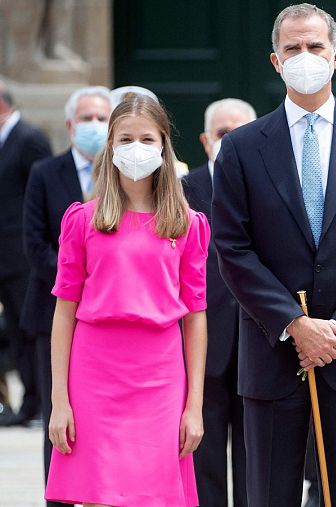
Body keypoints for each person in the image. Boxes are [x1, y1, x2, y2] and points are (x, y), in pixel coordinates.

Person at [211, 4, 336, 506]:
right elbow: (233, 248)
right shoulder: (242, 147)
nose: (304, 56)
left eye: (315, 46)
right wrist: (295, 324)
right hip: (274, 354)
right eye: (293, 48)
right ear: (275, 61)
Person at [44, 95, 208, 506]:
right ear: (111, 146)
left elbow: (195, 316)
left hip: (160, 375)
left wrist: (194, 406)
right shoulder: (83, 220)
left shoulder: (187, 224)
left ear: (164, 145)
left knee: (155, 494)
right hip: (94, 373)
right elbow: (64, 313)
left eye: (147, 139)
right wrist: (59, 400)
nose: (137, 147)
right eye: (126, 139)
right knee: (98, 493)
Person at [21, 85, 112, 507]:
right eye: (86, 118)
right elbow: (35, 242)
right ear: (70, 125)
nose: (94, 125)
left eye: (102, 118)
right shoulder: (45, 172)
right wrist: (78, 283)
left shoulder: (128, 177)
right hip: (53, 311)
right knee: (59, 412)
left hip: (107, 316)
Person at [182, 98, 256, 507]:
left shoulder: (273, 185)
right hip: (202, 341)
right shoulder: (181, 191)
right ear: (205, 140)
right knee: (203, 454)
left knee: (255, 455)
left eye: (240, 132)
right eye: (223, 133)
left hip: (259, 338)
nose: (231, 141)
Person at [0, 78, 52, 427]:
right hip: (4, 258)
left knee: (30, 328)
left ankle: (39, 401)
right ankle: (27, 402)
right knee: (15, 334)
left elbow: (40, 197)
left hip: (22, 257)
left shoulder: (29, 138)